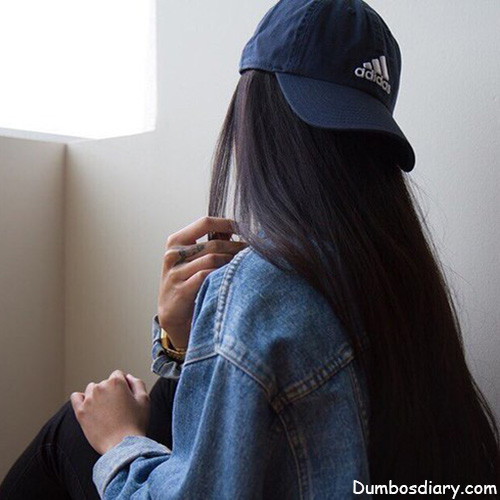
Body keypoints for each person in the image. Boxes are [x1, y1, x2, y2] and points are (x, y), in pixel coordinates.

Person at [1, 0, 499, 498]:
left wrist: (119, 441)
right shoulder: (402, 281)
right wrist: (181, 343)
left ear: (256, 114)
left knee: (74, 427)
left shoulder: (262, 287)